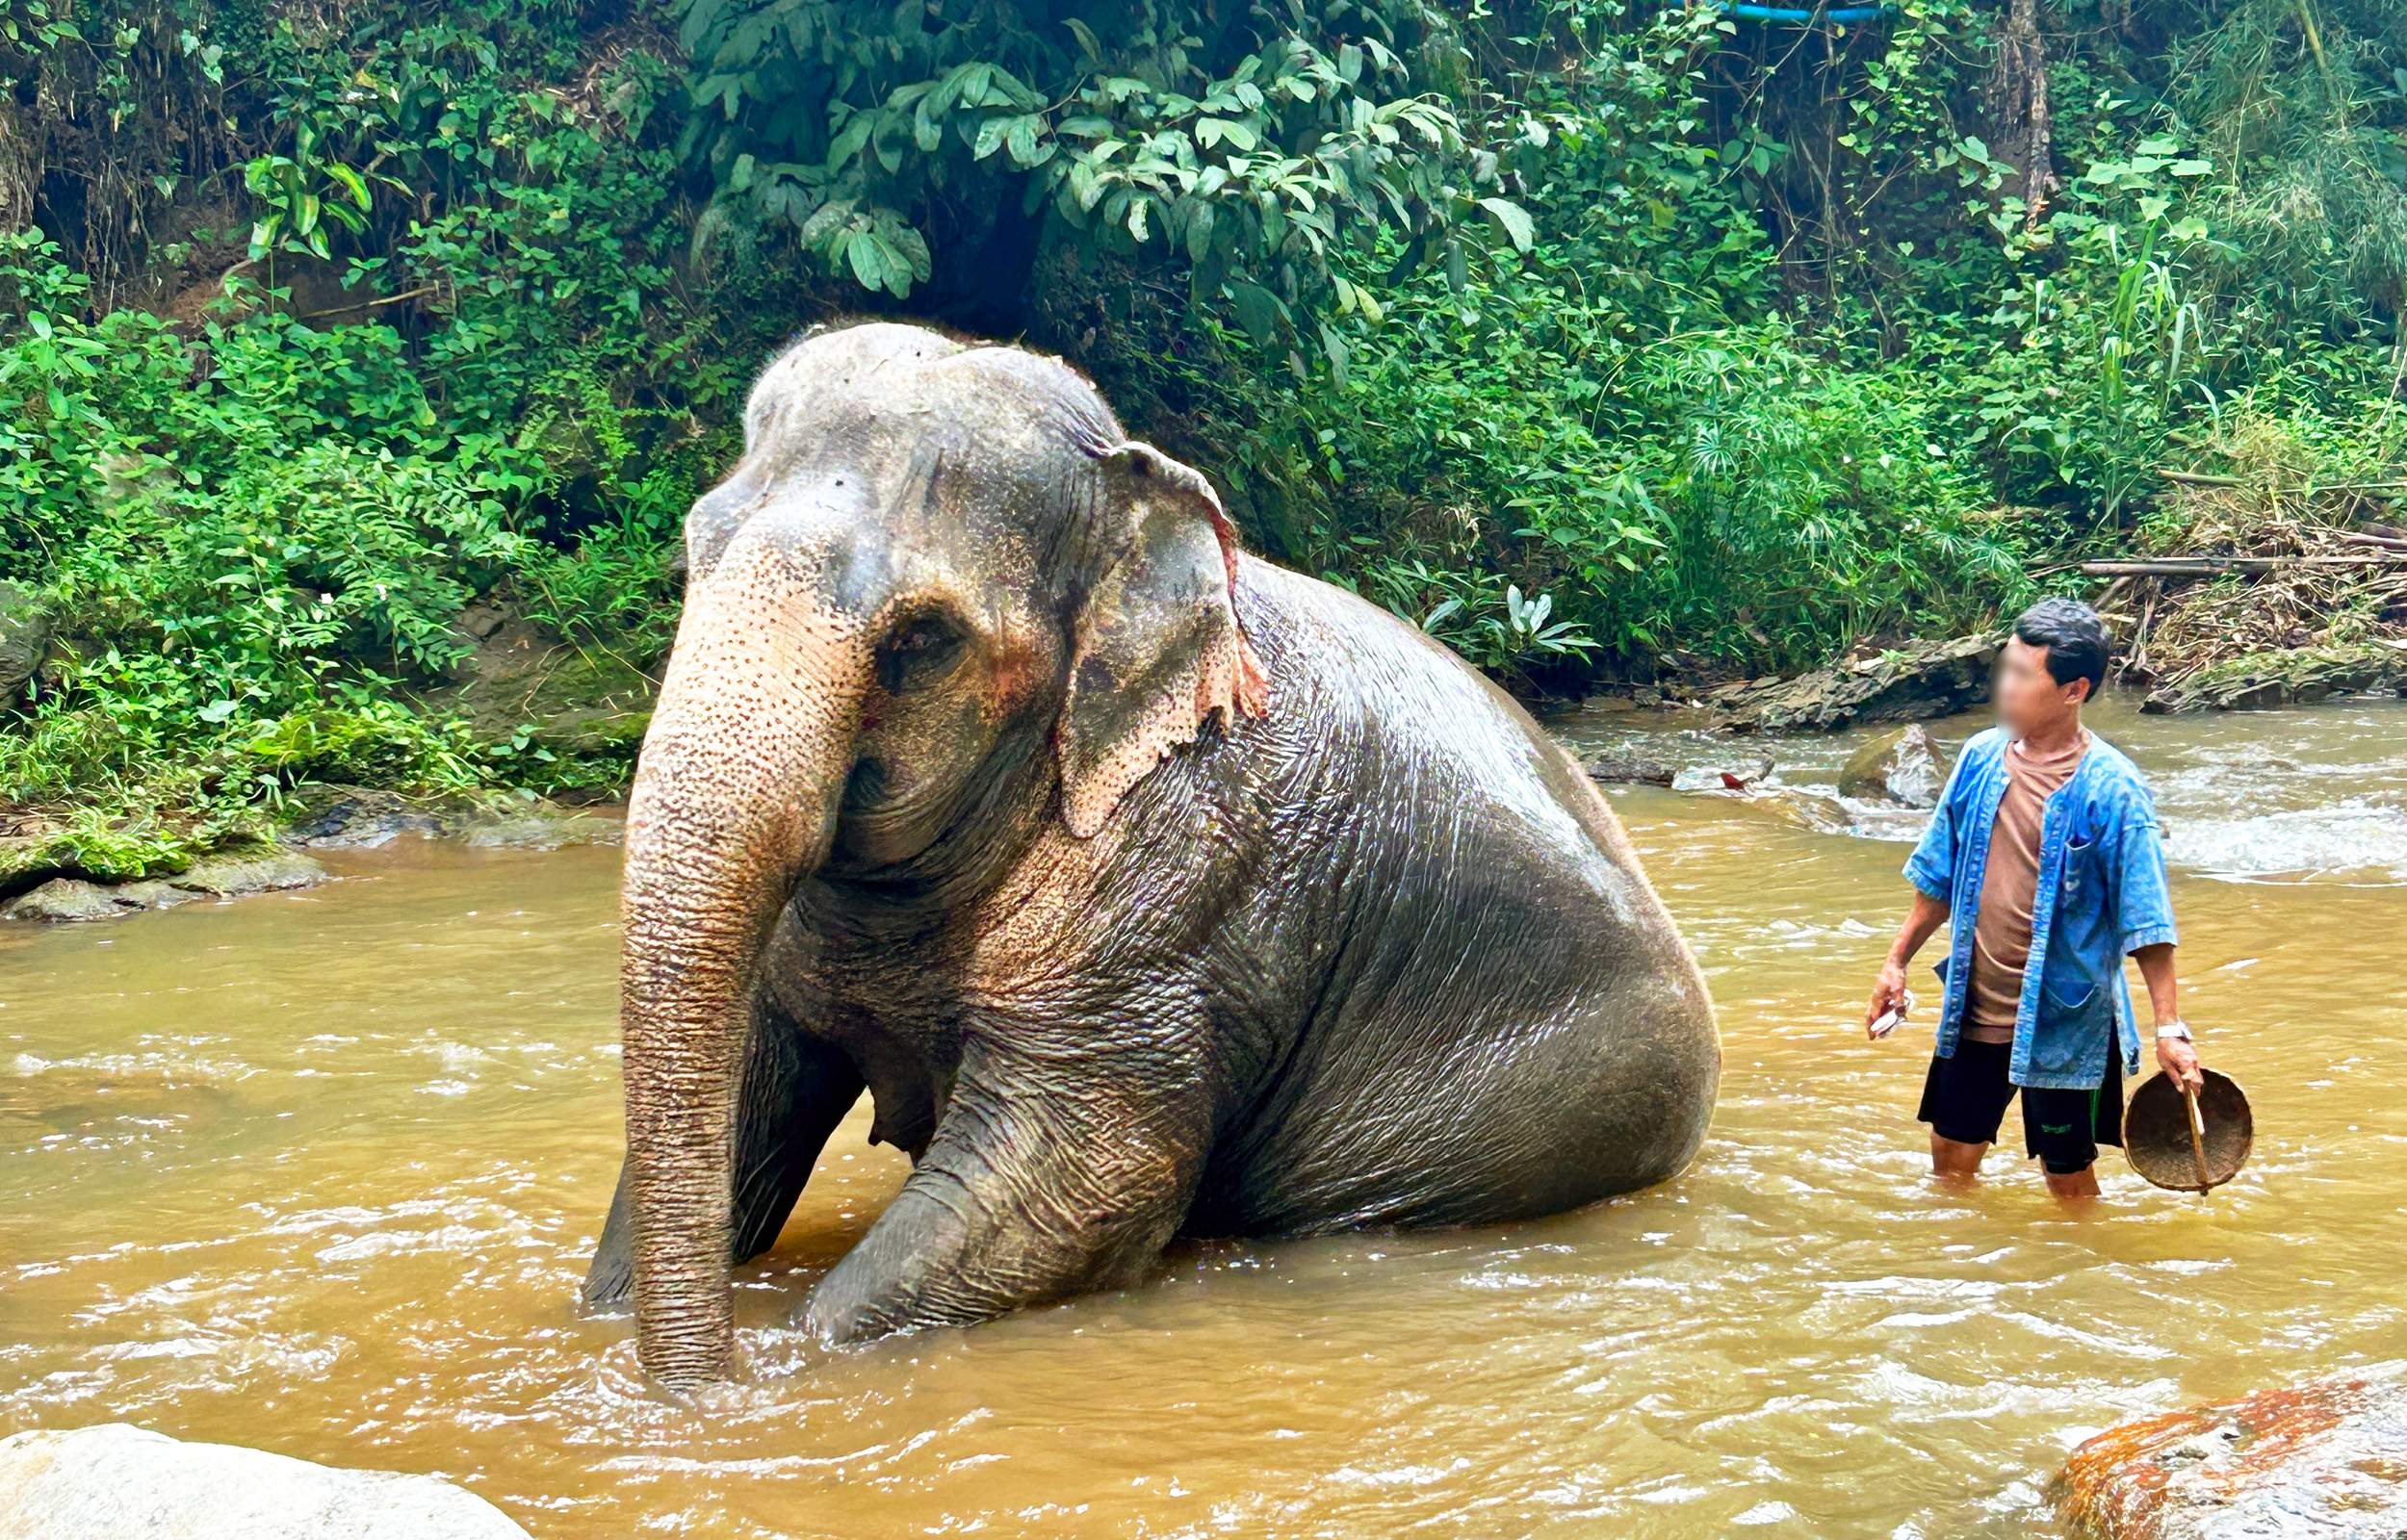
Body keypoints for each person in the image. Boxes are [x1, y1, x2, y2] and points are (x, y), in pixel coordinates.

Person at [1864, 598, 2205, 1197]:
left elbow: (2146, 923)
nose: (2006, 686)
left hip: (2064, 1019)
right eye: (2007, 668)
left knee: (2067, 1174)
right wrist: (1896, 963)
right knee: (1948, 1154)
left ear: (2073, 691)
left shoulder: (2115, 789)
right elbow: (1939, 875)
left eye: (2024, 674)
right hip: (1976, 1006)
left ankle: (2075, 1285)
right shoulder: (1977, 758)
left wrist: (2170, 1028)